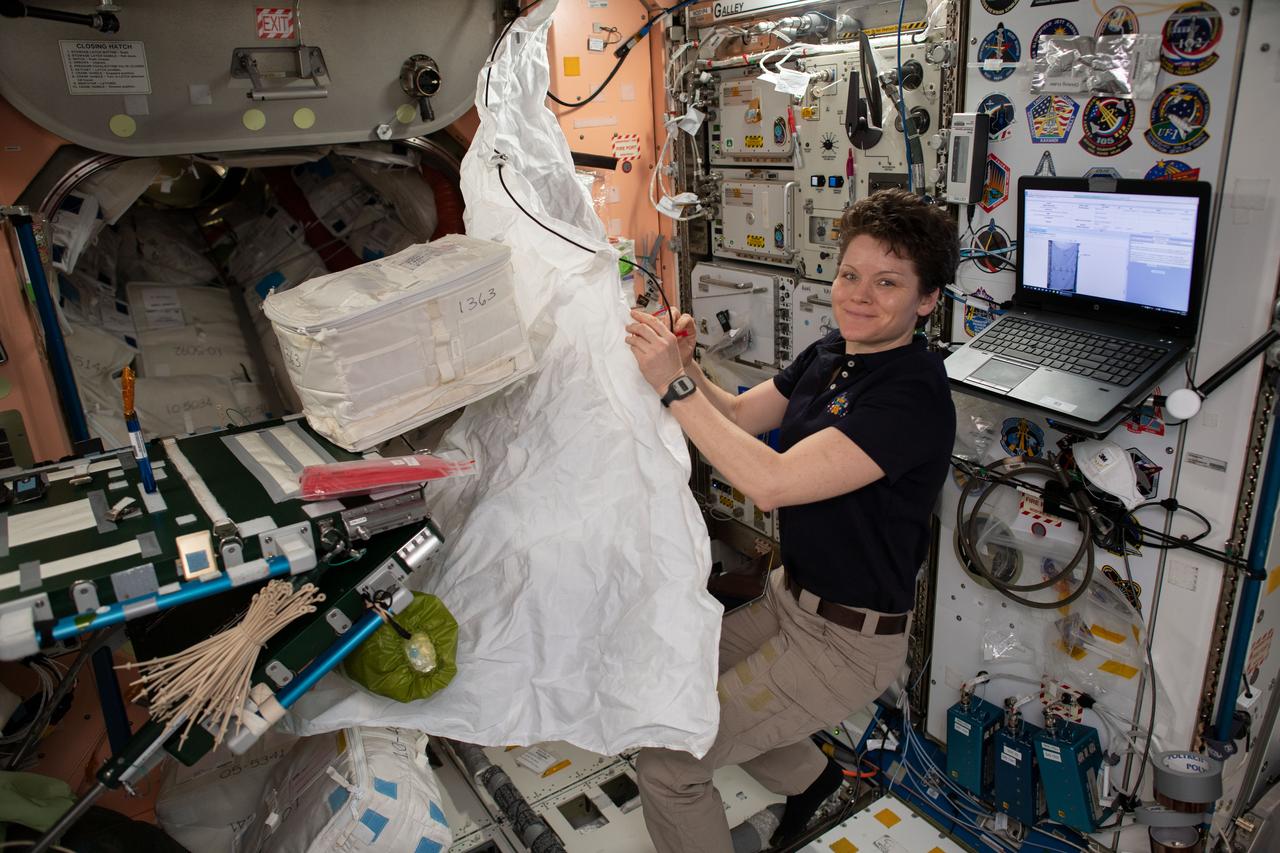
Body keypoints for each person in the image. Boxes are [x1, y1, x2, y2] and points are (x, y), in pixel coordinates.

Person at [624, 188, 958, 853]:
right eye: (850, 275)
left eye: (887, 282)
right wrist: (688, 363)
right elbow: (743, 416)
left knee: (668, 764)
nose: (858, 295)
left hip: (846, 643)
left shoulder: (913, 395)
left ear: (927, 301)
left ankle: (800, 771)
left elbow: (771, 482)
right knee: (665, 690)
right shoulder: (834, 353)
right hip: (790, 600)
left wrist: (673, 384)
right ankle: (815, 775)